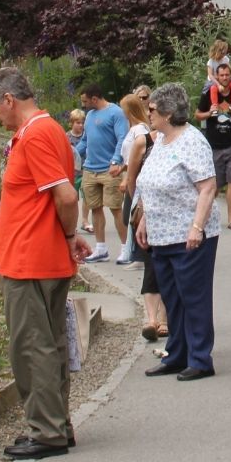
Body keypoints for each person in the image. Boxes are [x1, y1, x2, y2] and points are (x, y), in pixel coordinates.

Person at [0, 65, 83, 460]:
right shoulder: (49, 130)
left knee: (31, 347)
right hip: (41, 256)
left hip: (30, 259)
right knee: (50, 344)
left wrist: (70, 234)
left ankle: (47, 431)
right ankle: (57, 424)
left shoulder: (36, 134)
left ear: (9, 100)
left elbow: (67, 196)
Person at [133, 83, 221, 381]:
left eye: (153, 109)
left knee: (192, 296)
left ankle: (200, 358)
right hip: (161, 235)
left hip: (189, 236)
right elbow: (150, 183)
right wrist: (144, 218)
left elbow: (208, 187)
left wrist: (197, 227)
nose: (149, 113)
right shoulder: (160, 140)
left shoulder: (192, 142)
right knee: (172, 296)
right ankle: (177, 354)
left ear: (169, 113)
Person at [121, 102, 167, 338]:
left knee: (168, 265)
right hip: (145, 210)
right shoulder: (144, 142)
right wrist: (137, 207)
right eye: (148, 110)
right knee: (151, 264)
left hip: (170, 214)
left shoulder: (177, 141)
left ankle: (164, 319)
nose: (149, 114)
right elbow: (131, 179)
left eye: (153, 110)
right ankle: (151, 319)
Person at [75, 84, 129, 263]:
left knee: (115, 208)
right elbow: (85, 141)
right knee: (95, 208)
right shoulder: (89, 116)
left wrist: (116, 160)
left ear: (94, 99)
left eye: (85, 101)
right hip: (90, 169)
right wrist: (72, 153)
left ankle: (125, 248)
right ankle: (101, 248)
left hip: (109, 170)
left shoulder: (116, 113)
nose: (83, 105)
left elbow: (122, 137)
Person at [197, 63, 231, 231]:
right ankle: (203, 218)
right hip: (214, 145)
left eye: (227, 75)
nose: (225, 78)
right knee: (215, 184)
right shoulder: (208, 94)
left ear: (230, 75)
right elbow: (197, 115)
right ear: (217, 77)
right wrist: (209, 113)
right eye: (222, 75)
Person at [113, 94, 152, 266]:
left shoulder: (140, 130)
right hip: (130, 175)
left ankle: (142, 255)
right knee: (128, 216)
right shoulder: (133, 128)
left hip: (136, 178)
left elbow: (140, 156)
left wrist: (128, 178)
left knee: (134, 214)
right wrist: (121, 168)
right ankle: (138, 254)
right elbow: (129, 156)